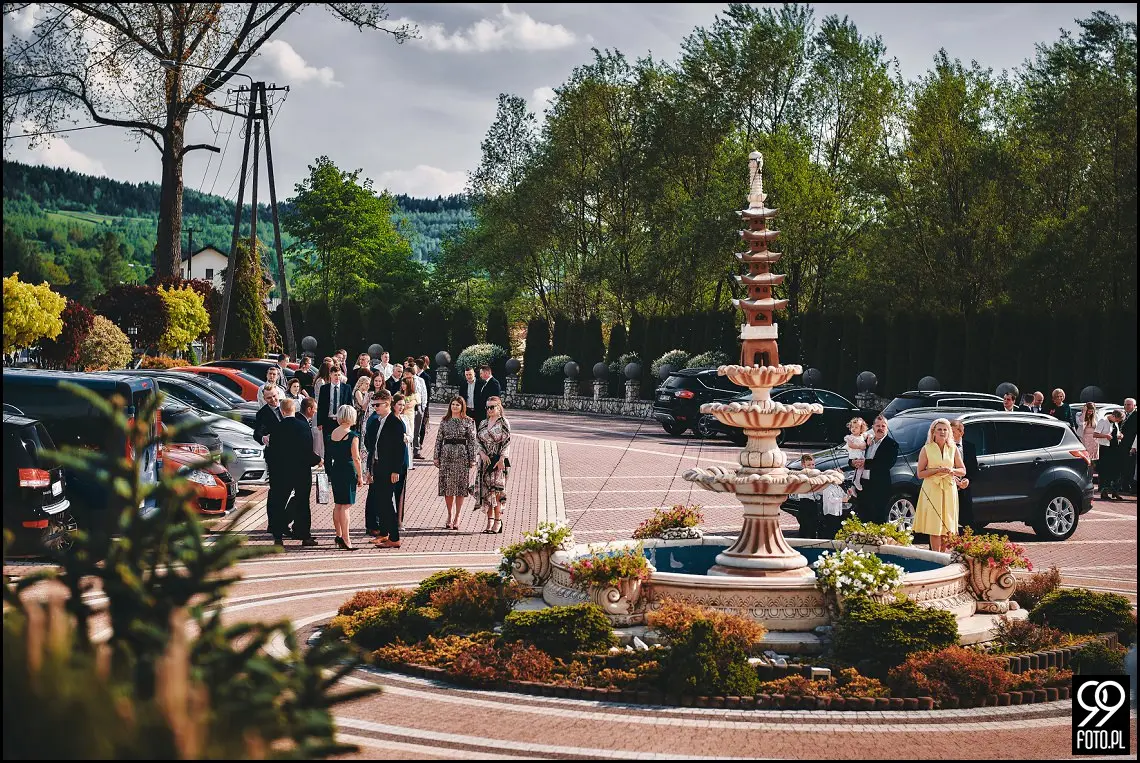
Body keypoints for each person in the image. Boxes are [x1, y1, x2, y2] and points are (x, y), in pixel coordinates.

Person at [272, 397, 322, 547]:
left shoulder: (277, 427)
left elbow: (273, 451)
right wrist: (317, 460)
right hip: (301, 470)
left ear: (282, 411)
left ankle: (278, 537)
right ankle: (305, 536)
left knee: (279, 502)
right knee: (303, 503)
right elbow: (307, 450)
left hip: (282, 471)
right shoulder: (302, 426)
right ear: (294, 409)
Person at [913, 418, 964, 553]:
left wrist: (952, 470)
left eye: (945, 429)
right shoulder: (926, 449)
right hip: (932, 488)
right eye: (939, 429)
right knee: (934, 525)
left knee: (947, 525)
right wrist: (937, 470)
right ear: (933, 432)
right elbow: (920, 473)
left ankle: (943, 556)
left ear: (949, 432)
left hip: (949, 488)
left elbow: (962, 470)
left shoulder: (953, 449)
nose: (942, 432)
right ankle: (935, 556)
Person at [363, 390, 406, 547]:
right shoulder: (376, 421)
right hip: (377, 466)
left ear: (387, 404)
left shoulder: (395, 422)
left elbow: (399, 449)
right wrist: (370, 469)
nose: (375, 408)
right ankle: (384, 533)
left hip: (389, 469)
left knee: (387, 502)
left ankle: (394, 538)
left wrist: (396, 470)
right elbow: (371, 446)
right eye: (373, 405)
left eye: (377, 405)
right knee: (380, 501)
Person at [434, 396, 477, 531]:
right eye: (453, 404)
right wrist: (436, 456)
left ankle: (458, 516)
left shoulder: (468, 421)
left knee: (460, 487)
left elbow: (472, 441)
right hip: (446, 455)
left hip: (462, 455)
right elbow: (439, 439)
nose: (455, 407)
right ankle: (449, 514)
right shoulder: (444, 420)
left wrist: (472, 458)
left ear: (462, 407)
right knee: (447, 487)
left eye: (458, 405)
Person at [326, 404, 365, 551]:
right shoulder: (352, 436)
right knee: (346, 506)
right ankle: (346, 539)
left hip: (336, 469)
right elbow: (356, 458)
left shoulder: (332, 434)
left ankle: (338, 535)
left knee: (338, 504)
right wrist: (360, 476)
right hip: (348, 470)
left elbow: (328, 455)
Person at [253, 385, 287, 542]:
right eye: (269, 398)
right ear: (264, 399)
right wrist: (263, 438)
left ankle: (284, 521)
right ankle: (273, 524)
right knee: (275, 491)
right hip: (274, 456)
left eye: (274, 396)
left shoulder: (286, 405)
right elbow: (257, 433)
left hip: (289, 455)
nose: (273, 400)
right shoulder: (262, 413)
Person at [850, 415, 899, 524]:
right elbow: (853, 455)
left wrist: (865, 463)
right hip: (863, 485)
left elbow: (886, 464)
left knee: (878, 518)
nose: (880, 428)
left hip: (879, 486)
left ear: (887, 428)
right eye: (878, 426)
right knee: (863, 517)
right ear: (873, 427)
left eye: (883, 426)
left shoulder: (892, 444)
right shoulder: (865, 441)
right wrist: (852, 462)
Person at [475, 395, 511, 534]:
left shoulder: (503, 423)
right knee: (486, 493)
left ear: (499, 407)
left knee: (496, 493)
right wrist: (482, 454)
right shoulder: (483, 423)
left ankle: (498, 521)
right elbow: (478, 441)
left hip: (498, 462)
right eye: (487, 407)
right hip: (485, 462)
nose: (489, 410)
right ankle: (489, 521)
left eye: (492, 407)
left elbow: (507, 442)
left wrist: (502, 458)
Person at [949, 419, 978, 529]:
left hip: (964, 489)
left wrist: (967, 480)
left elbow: (973, 468)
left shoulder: (970, 447)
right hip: (949, 485)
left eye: (953, 432)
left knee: (967, 521)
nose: (950, 435)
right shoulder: (945, 447)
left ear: (961, 432)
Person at [390, 393, 412, 529]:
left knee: (401, 490)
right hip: (391, 458)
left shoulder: (405, 419)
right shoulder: (389, 419)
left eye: (403, 405)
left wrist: (406, 437)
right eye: (399, 404)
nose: (401, 407)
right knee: (389, 490)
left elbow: (410, 436)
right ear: (393, 405)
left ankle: (399, 520)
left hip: (403, 457)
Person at [1094, 409, 1125, 501]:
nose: (1118, 422)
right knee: (1105, 471)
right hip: (1105, 449)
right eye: (1118, 420)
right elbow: (1095, 434)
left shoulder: (1115, 423)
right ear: (1114, 416)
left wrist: (1120, 435)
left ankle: (1114, 490)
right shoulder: (1103, 421)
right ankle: (1104, 492)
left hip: (1114, 448)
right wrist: (1105, 436)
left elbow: (1116, 433)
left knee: (1115, 470)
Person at [317, 367, 349, 453]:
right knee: (328, 447)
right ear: (330, 375)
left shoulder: (346, 388)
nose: (337, 377)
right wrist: (319, 422)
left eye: (339, 375)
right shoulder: (324, 388)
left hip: (341, 421)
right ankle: (328, 462)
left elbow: (349, 405)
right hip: (328, 420)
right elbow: (320, 405)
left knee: (340, 446)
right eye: (335, 375)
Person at [844, 417, 870, 497]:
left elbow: (869, 434)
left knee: (859, 469)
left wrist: (869, 437)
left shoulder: (862, 436)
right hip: (855, 455)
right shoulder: (850, 437)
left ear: (861, 429)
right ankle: (856, 481)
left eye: (856, 427)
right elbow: (851, 445)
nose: (853, 429)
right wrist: (860, 446)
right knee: (859, 468)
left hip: (860, 455)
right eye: (852, 427)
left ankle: (853, 484)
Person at [416, 355, 435, 457]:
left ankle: (420, 444)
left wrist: (425, 406)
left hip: (423, 405)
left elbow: (427, 392)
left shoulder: (426, 377)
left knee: (422, 425)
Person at [410, 359, 429, 460]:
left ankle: (416, 451)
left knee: (417, 430)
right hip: (408, 408)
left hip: (419, 407)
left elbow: (424, 393)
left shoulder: (421, 380)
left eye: (415, 369)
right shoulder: (405, 380)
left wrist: (423, 407)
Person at [399, 376, 419, 470]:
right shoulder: (398, 394)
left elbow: (410, 405)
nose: (403, 386)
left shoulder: (415, 395)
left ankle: (409, 462)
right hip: (400, 417)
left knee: (409, 437)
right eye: (402, 384)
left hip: (409, 418)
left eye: (405, 384)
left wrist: (403, 405)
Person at [1077, 402, 1102, 470]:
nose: (1090, 413)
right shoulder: (1079, 414)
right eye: (1089, 411)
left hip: (1093, 439)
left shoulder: (1096, 416)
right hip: (1084, 438)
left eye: (1091, 411)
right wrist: (1084, 413)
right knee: (1085, 456)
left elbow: (1098, 426)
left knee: (1092, 459)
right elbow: (1080, 424)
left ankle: (1091, 472)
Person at [298, 395, 322, 460]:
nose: (316, 411)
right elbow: (306, 448)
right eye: (315, 409)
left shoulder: (298, 418)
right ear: (309, 409)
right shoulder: (303, 425)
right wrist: (318, 460)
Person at [1121, 398, 1137, 493]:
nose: (1126, 406)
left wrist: (1133, 446)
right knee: (1125, 466)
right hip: (1123, 445)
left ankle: (1132, 487)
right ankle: (1125, 486)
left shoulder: (1135, 415)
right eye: (1125, 404)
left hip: (1131, 446)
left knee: (1131, 467)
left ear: (1134, 406)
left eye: (1129, 405)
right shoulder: (1124, 415)